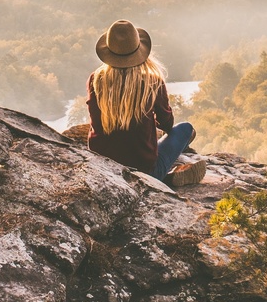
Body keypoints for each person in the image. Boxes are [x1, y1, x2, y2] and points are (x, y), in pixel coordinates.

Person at [86, 19, 206, 189]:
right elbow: (167, 124)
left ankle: (164, 179)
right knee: (185, 129)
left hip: (104, 168)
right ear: (139, 51)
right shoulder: (152, 81)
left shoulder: (96, 80)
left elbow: (94, 120)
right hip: (145, 169)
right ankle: (163, 179)